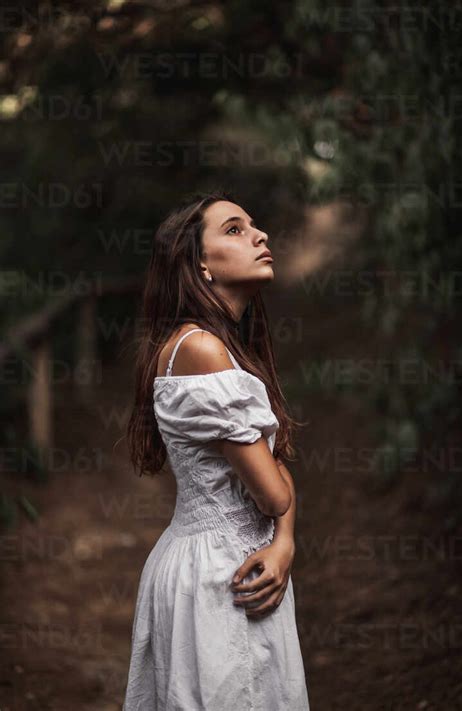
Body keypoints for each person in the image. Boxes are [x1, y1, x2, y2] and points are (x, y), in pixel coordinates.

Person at [123, 189, 310, 709]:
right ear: (199, 263)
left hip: (242, 562)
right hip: (221, 576)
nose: (259, 235)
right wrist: (281, 530)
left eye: (253, 225)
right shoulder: (202, 351)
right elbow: (274, 494)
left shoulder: (213, 346)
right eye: (233, 229)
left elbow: (277, 476)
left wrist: (285, 544)